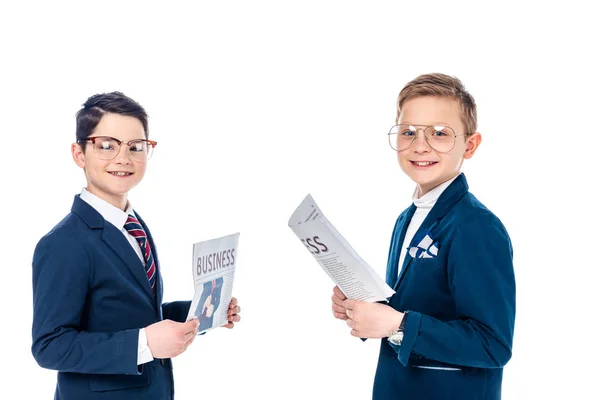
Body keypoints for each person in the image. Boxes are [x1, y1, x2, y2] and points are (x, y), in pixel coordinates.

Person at [31, 92, 241, 400]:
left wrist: (200, 311)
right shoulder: (64, 243)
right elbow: (49, 346)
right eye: (106, 145)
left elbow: (131, 314)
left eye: (135, 147)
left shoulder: (134, 226)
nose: (123, 158)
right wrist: (144, 344)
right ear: (79, 154)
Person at [331, 73, 516, 399]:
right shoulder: (407, 218)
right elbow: (412, 306)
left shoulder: (476, 227)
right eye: (409, 132)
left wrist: (397, 325)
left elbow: (493, 345)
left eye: (440, 133)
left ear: (470, 145)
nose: (420, 146)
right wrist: (364, 307)